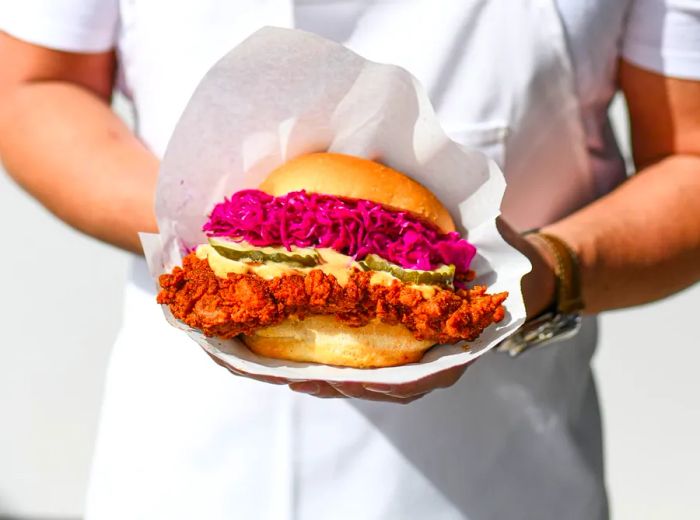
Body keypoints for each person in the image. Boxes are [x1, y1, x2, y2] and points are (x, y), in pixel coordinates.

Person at [1, 1, 699, 518]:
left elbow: (690, 157)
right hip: (190, 465)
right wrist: (213, 245)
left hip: (503, 470)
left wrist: (543, 274)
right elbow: (31, 85)